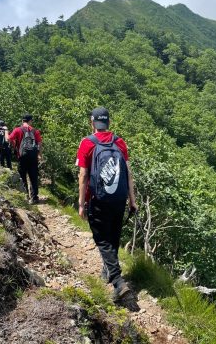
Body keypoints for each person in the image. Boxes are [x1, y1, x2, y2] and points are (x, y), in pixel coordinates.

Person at [76, 107, 138, 301]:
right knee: (113, 236)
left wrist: (80, 203)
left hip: (99, 199)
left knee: (102, 239)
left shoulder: (87, 143)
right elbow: (128, 173)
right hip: (119, 199)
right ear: (108, 123)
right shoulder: (120, 142)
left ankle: (118, 282)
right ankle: (107, 270)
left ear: (92, 122)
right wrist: (132, 200)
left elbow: (84, 175)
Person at [9, 114, 42, 204]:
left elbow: (9, 138)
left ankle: (25, 195)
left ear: (22, 121)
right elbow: (39, 143)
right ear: (30, 121)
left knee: (22, 176)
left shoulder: (17, 130)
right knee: (33, 176)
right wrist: (39, 154)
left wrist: (15, 147)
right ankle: (34, 197)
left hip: (22, 156)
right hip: (33, 157)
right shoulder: (35, 131)